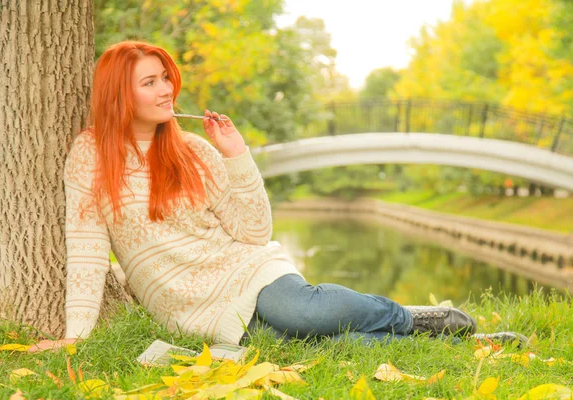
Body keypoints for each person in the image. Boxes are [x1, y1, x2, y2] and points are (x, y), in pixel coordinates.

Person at [30, 40, 486, 353]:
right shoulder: (91, 153)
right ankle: (455, 338)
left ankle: (408, 317)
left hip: (245, 269)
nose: (166, 89)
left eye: (165, 77)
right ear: (118, 95)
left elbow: (253, 233)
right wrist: (77, 335)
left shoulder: (194, 150)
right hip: (183, 305)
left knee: (301, 314)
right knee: (331, 343)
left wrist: (236, 155)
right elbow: (86, 250)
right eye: (149, 82)